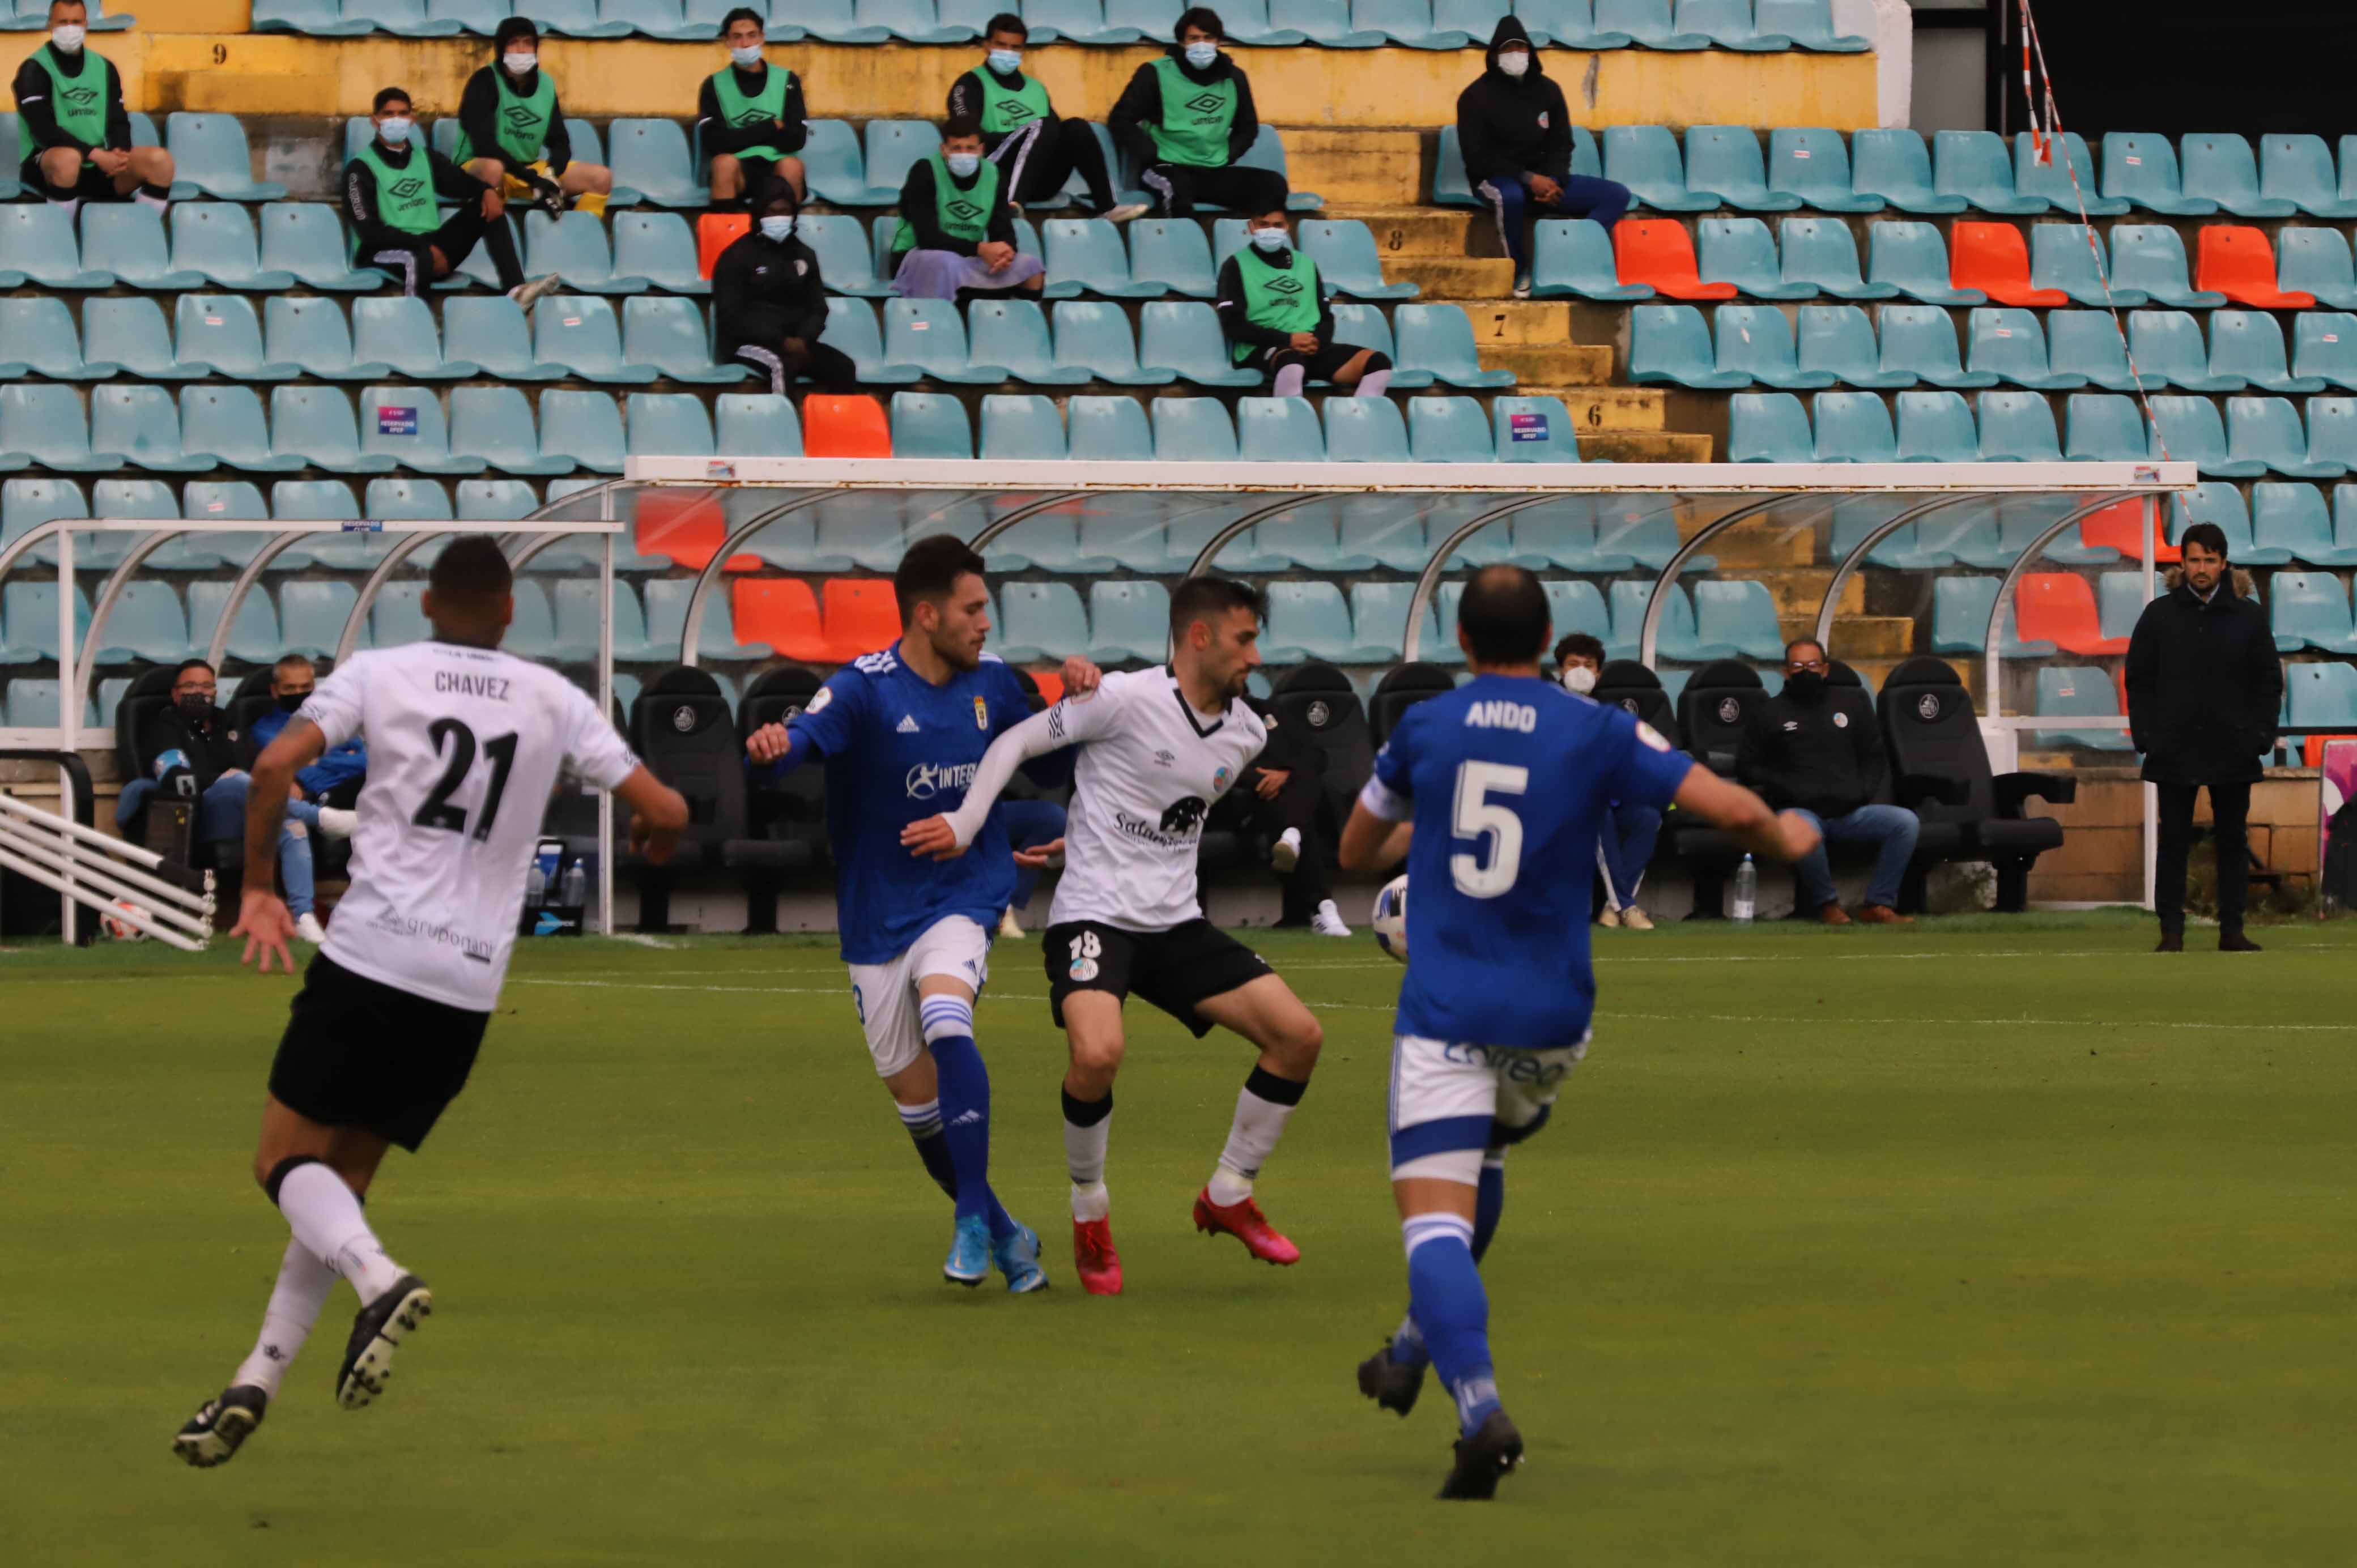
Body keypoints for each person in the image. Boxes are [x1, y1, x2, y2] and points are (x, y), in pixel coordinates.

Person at [172, 538, 687, 1468]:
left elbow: (279, 764)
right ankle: (259, 1373)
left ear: (427, 604)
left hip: (372, 954)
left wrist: (256, 884)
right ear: (507, 611)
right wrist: (653, 836)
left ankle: (379, 1278)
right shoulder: (554, 697)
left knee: (282, 1162)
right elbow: (670, 809)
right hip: (466, 987)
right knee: (343, 1187)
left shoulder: (383, 669)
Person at [1337, 564, 1819, 1499]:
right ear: (1551, 638)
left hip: (1446, 1013)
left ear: (1464, 641)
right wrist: (1790, 835)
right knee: (1489, 1159)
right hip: (1554, 1020)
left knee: (1434, 1218)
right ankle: (1407, 1348)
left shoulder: (1425, 727)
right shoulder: (1596, 726)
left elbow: (1357, 851)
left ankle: (1478, 1408)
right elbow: (1727, 807)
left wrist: (1425, 836)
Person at [903, 577, 1328, 1297]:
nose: (1254, 655)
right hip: (1093, 916)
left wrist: (1086, 836)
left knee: (1299, 1036)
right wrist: (972, 822)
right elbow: (1012, 742)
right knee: (1098, 1053)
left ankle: (1228, 1192)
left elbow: (1168, 809)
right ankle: (1089, 1211)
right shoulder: (1123, 697)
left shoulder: (1247, 731)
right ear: (1199, 637)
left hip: (1175, 922)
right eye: (1243, 638)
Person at [742, 536, 1099, 1290]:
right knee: (917, 1104)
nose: (985, 624)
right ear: (926, 614)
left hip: (963, 895)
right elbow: (802, 739)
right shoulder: (866, 688)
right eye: (972, 611)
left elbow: (1056, 766)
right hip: (876, 916)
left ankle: (969, 1223)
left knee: (948, 1019)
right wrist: (776, 745)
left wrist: (1076, 705)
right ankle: (1004, 1231)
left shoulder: (998, 687)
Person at [116, 659, 354, 948]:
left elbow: (258, 768)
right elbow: (175, 780)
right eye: (190, 686)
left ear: (216, 691)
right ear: (176, 694)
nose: (200, 693)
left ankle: (303, 916)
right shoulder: (165, 728)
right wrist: (222, 778)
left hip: (248, 809)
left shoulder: (227, 724)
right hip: (199, 815)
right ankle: (321, 818)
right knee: (238, 782)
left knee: (290, 824)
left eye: (206, 686)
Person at [2125, 522, 2282, 953]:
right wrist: (2147, 736)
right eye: (2194, 559)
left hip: (2234, 748)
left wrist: (2260, 737)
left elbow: (2269, 681)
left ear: (2224, 563)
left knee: (2233, 842)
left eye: (2210, 560)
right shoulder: (2158, 616)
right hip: (2173, 748)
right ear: (2183, 562)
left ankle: (2232, 931)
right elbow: (2138, 679)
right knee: (2173, 842)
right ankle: (2170, 934)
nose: (2201, 568)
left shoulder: (2249, 616)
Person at [1735, 638, 1917, 925]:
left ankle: (1878, 905)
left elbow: (1874, 754)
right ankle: (1828, 905)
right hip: (1798, 812)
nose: (1805, 671)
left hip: (1850, 813)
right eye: (1797, 666)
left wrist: (1863, 791)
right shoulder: (1768, 712)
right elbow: (1746, 766)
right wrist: (1783, 785)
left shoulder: (1852, 704)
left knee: (1905, 823)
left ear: (1825, 669)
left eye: (1812, 665)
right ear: (1785, 671)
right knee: (1804, 826)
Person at [1455, 16, 1628, 300]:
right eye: (1508, 49)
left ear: (1531, 51)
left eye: (1521, 48)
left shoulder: (1548, 90)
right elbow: (1478, 158)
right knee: (1509, 197)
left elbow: (1563, 143)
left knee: (1616, 195)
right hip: (1496, 178)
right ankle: (1519, 269)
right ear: (1495, 54)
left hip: (1545, 180)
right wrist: (1528, 178)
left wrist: (1554, 179)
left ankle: (1572, 259)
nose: (1516, 55)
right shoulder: (1475, 97)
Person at [343, 86, 555, 307]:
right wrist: (418, 245)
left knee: (490, 205)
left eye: (403, 113)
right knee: (418, 257)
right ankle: (421, 323)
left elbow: (460, 182)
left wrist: (486, 190)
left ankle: (516, 291)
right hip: (380, 251)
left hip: (430, 244)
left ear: (412, 119)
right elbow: (369, 231)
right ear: (375, 121)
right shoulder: (360, 169)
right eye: (388, 114)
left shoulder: (425, 158)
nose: (396, 120)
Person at [948, 14, 1147, 223]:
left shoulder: (1036, 88)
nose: (1007, 52)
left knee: (1075, 127)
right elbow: (965, 137)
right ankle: (1010, 204)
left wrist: (1033, 132)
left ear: (1023, 50)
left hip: (1039, 182)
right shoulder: (969, 85)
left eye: (1015, 47)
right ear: (987, 46)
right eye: (1001, 45)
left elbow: (1053, 135)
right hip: (992, 173)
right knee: (1041, 126)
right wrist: (1021, 134)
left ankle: (1108, 207)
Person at [1108, 7, 1287, 219]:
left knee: (1273, 186)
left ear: (1218, 42)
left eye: (1208, 38)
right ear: (1182, 43)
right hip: (1167, 167)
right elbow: (1120, 120)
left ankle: (1237, 241)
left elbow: (1248, 127)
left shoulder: (1234, 78)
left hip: (1213, 169)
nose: (1201, 45)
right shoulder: (1154, 73)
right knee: (1177, 192)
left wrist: (1229, 155)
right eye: (1193, 38)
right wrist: (1151, 153)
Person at [14, 0, 175, 220]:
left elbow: (118, 119)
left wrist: (120, 153)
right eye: (63, 22)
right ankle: (62, 234)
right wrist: (96, 154)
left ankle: (140, 232)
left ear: (86, 24)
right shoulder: (33, 69)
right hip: (48, 167)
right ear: (50, 25)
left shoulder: (104, 66)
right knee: (68, 159)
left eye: (76, 22)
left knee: (160, 161)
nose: (70, 28)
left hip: (99, 164)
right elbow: (44, 130)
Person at [1207, 692, 1350, 935]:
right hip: (1239, 802)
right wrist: (1267, 780)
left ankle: (1292, 836)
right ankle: (1323, 906)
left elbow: (1316, 755)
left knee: (1302, 786)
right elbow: (1212, 765)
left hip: (1281, 803)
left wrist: (1286, 775)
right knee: (1299, 799)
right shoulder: (1208, 713)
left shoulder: (1268, 711)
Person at [1216, 205, 1393, 399]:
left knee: (1378, 363)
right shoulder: (1235, 266)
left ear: (1287, 227)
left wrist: (1316, 341)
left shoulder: (1306, 264)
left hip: (1310, 349)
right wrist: (1288, 340)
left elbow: (1326, 316)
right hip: (1261, 349)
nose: (1270, 230)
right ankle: (1287, 425)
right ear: (1251, 227)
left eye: (1277, 225)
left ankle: (1359, 423)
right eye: (1263, 225)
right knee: (1292, 363)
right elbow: (1234, 326)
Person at [451, 19, 613, 219]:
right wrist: (532, 180)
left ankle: (574, 238)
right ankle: (488, 231)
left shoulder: (546, 84)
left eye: (527, 43)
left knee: (601, 177)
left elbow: (560, 141)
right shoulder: (484, 81)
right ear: (501, 47)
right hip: (480, 167)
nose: (521, 50)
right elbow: (485, 147)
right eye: (513, 43)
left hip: (528, 169)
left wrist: (551, 174)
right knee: (494, 168)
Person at [710, 177, 858, 394]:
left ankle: (838, 427)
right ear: (760, 213)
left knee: (844, 367)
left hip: (798, 343)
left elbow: (818, 308)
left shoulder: (805, 255)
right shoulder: (736, 256)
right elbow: (731, 316)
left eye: (784, 211)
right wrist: (781, 340)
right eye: (771, 211)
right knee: (782, 366)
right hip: (746, 344)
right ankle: (783, 425)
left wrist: (802, 340)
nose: (778, 218)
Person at [1555, 633, 1656, 929]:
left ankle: (1613, 908)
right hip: (1560, 801)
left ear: (1599, 673)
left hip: (1612, 795)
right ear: (1561, 669)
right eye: (1574, 664)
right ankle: (1625, 905)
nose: (1581, 671)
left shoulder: (1612, 710)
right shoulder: (1547, 706)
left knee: (1648, 817)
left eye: (1589, 665)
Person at [887, 114, 1047, 301]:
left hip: (968, 257)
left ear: (981, 150)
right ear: (944, 150)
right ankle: (962, 309)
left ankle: (1015, 321)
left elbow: (1003, 231)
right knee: (947, 264)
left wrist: (1005, 254)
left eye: (970, 148)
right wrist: (980, 249)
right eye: (956, 148)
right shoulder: (924, 172)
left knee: (1031, 267)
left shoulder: (994, 176)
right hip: (917, 256)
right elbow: (927, 238)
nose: (964, 154)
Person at [698, 8, 807, 209]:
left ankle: (789, 235)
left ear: (762, 37)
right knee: (723, 164)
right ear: (727, 41)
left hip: (776, 166)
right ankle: (726, 233)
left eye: (752, 35)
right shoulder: (713, 84)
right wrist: (770, 128)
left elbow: (796, 139)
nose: (746, 44)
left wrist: (737, 137)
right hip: (738, 169)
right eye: (737, 37)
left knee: (793, 166)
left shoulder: (787, 81)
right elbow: (713, 143)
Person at [249, 655, 369, 812]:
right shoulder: (264, 730)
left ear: (314, 686)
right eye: (290, 688)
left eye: (305, 687)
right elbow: (305, 774)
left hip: (363, 786)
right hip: (326, 797)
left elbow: (365, 760)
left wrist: (316, 759)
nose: (299, 693)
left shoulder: (334, 718)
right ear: (275, 690)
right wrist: (346, 757)